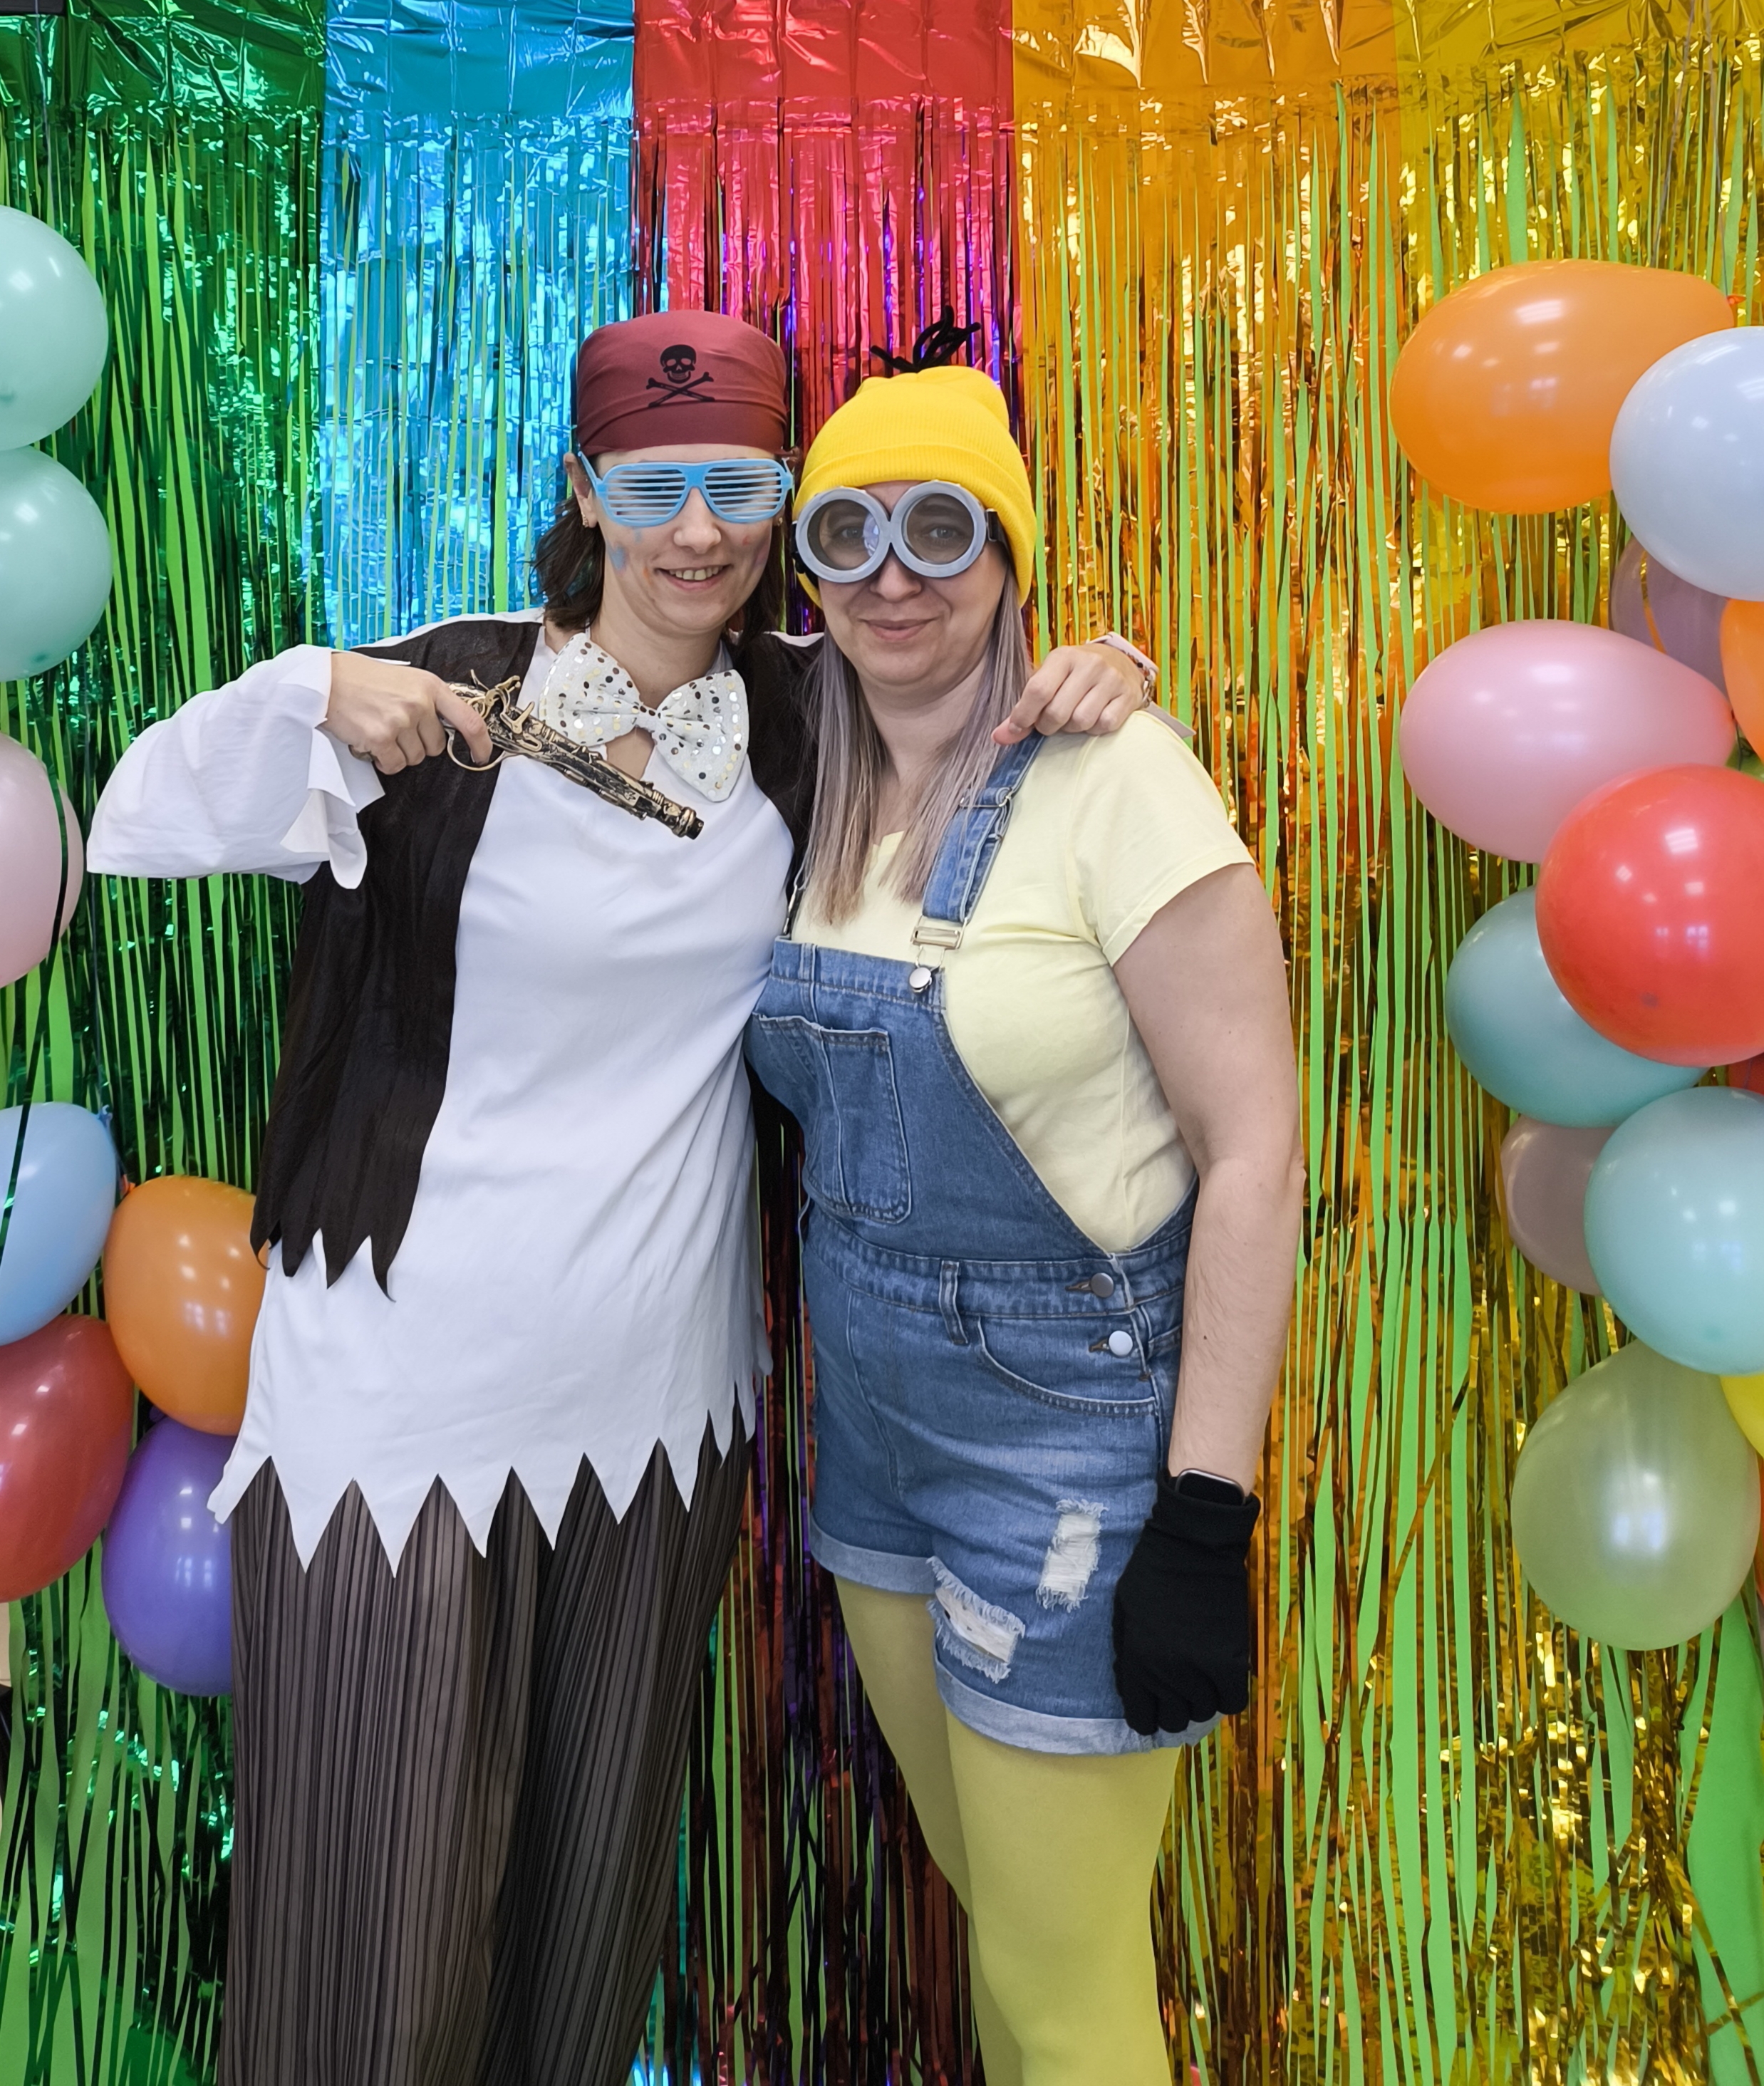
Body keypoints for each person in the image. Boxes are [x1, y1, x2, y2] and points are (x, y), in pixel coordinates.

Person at [86, 309, 1146, 2086]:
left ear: (780, 495)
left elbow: (978, 708)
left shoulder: (807, 717)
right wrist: (300, 688)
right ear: (585, 490)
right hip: (393, 1413)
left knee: (572, 1949)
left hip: (653, 1416)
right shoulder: (437, 691)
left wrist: (1097, 668)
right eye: (652, 489)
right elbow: (138, 814)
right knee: (372, 1974)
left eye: (738, 486)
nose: (698, 532)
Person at [743, 364, 1305, 2086]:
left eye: (941, 528)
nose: (890, 574)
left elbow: (1253, 1147)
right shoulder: (802, 769)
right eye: (847, 532)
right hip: (874, 1445)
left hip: (1069, 1454)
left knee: (1064, 2003)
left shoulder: (1114, 773)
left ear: (1007, 557)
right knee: (1007, 1926)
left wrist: (1202, 1513)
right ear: (805, 568)